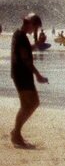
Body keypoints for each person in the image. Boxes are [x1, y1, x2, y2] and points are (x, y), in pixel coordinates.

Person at [11, 13, 49, 148]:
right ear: (30, 24)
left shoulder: (19, 35)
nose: (35, 30)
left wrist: (37, 44)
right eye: (36, 27)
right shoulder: (21, 37)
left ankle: (16, 133)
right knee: (30, 104)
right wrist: (38, 75)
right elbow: (26, 59)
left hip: (20, 73)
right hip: (22, 74)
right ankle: (16, 133)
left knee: (29, 104)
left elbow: (26, 51)